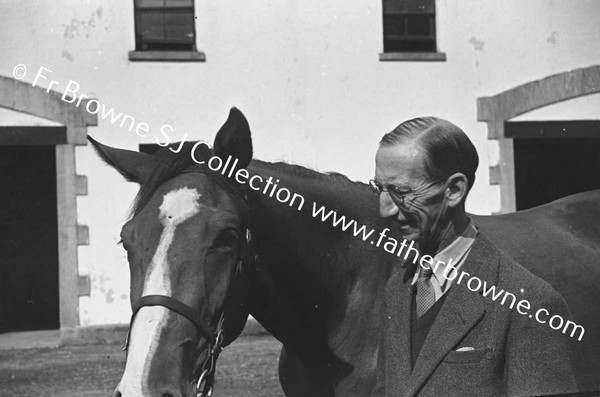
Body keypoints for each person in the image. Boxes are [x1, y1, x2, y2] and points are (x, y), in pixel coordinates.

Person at [370, 117, 577, 396]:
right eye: (379, 188)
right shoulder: (397, 289)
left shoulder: (529, 304)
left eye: (400, 191)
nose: (385, 210)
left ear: (454, 190)